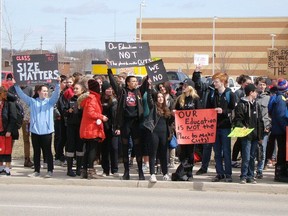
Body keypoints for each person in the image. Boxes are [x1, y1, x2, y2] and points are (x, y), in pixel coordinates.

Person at [14, 79, 61, 178]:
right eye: (43, 91)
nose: (45, 93)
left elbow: (56, 95)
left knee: (47, 151)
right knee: (36, 152)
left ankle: (50, 170)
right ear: (38, 92)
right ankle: (37, 170)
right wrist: (16, 85)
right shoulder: (32, 102)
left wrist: (57, 84)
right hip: (35, 131)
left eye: (46, 91)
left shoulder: (50, 102)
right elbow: (22, 96)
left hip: (47, 131)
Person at [107, 68, 148, 180]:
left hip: (136, 122)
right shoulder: (122, 91)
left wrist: (151, 71)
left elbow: (146, 83)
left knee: (137, 147)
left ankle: (140, 172)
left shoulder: (139, 91)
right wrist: (109, 70)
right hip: (125, 123)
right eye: (133, 81)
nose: (135, 83)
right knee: (125, 148)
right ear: (128, 83)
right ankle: (126, 172)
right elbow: (113, 83)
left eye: (136, 81)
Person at [207, 72, 235, 182]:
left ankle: (228, 173)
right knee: (217, 152)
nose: (214, 83)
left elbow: (233, 109)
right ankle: (219, 173)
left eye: (216, 81)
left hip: (225, 126)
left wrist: (223, 111)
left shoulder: (229, 94)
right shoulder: (212, 94)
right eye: (214, 81)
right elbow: (207, 108)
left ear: (222, 82)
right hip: (214, 126)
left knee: (226, 151)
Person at [78, 79, 108, 180]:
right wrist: (101, 116)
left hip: (88, 127)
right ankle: (90, 170)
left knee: (88, 149)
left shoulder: (90, 97)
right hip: (91, 127)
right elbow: (90, 113)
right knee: (92, 150)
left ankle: (84, 170)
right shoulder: (92, 98)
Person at [144, 79, 173, 182]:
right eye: (158, 97)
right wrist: (150, 86)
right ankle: (152, 174)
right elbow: (149, 98)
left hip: (164, 134)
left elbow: (171, 122)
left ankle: (165, 173)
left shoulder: (167, 109)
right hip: (154, 133)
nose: (160, 98)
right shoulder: (153, 107)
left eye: (162, 97)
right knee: (153, 153)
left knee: (164, 154)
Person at [233, 83, 262, 184]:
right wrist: (242, 126)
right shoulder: (242, 104)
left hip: (254, 135)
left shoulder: (256, 104)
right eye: (255, 91)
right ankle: (243, 176)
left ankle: (251, 175)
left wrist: (260, 135)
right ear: (251, 92)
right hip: (246, 135)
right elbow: (237, 119)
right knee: (246, 156)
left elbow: (260, 121)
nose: (256, 93)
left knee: (252, 157)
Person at [171, 84, 201, 181]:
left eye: (186, 85)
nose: (183, 87)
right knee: (183, 152)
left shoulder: (195, 99)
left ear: (191, 87)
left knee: (191, 152)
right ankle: (183, 171)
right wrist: (174, 112)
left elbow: (199, 112)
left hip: (192, 130)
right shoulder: (180, 98)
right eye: (183, 85)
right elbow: (175, 111)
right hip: (182, 130)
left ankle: (189, 172)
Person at [63, 82, 86, 177]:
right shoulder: (69, 100)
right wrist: (68, 111)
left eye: (77, 89)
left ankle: (78, 168)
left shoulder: (85, 100)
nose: (75, 90)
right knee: (70, 147)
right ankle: (69, 169)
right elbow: (64, 112)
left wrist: (81, 109)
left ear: (82, 90)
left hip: (81, 126)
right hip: (71, 126)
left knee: (80, 148)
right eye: (74, 89)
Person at [8, 84, 34, 167]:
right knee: (12, 138)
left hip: (26, 118)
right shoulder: (12, 88)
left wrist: (30, 116)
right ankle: (8, 158)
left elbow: (32, 103)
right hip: (15, 117)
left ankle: (27, 159)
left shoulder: (29, 89)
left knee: (26, 139)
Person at [268, 78, 288, 182]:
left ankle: (281, 172)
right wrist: (286, 129)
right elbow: (281, 116)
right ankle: (279, 174)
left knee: (283, 151)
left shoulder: (280, 97)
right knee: (282, 152)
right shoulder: (281, 98)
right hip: (280, 130)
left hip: (279, 129)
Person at [232, 74, 252, 168]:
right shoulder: (238, 93)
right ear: (243, 83)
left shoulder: (250, 92)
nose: (248, 85)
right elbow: (236, 107)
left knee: (243, 141)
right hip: (240, 120)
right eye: (247, 83)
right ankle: (234, 159)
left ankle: (242, 159)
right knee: (239, 141)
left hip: (248, 120)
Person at [100, 81, 119, 176]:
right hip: (103, 128)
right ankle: (105, 170)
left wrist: (118, 127)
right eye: (108, 88)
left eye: (111, 88)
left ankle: (114, 170)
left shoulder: (115, 100)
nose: (110, 90)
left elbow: (118, 115)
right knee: (104, 150)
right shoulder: (100, 100)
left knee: (114, 148)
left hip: (113, 128)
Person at [255, 77, 271, 179]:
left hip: (264, 127)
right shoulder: (253, 96)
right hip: (254, 127)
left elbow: (270, 114)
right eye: (260, 84)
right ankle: (251, 169)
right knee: (253, 150)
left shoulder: (269, 98)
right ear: (257, 85)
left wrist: (268, 126)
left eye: (264, 85)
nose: (262, 86)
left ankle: (260, 170)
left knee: (262, 150)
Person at [0, 87, 18, 176]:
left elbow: (13, 118)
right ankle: (1, 167)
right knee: (0, 149)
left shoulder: (10, 103)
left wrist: (9, 130)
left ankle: (7, 168)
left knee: (7, 150)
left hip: (7, 130)